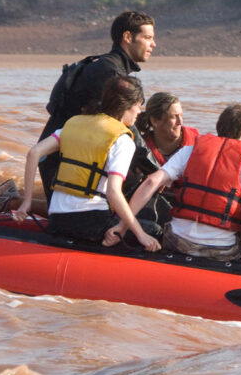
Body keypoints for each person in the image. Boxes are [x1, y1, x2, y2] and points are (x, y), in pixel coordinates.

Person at [113, 104, 241, 281]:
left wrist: (122, 227)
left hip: (176, 241)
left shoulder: (190, 151)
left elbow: (150, 182)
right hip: (221, 251)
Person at [13, 75, 161, 252]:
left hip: (57, 218)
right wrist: (140, 235)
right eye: (138, 105)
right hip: (90, 222)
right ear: (127, 106)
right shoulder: (122, 139)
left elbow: (33, 153)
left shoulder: (74, 124)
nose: (139, 112)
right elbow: (114, 192)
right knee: (154, 229)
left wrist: (27, 202)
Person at [38, 11, 156, 202]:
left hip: (72, 156)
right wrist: (157, 170)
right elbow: (126, 127)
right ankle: (13, 202)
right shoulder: (108, 72)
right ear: (127, 37)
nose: (153, 44)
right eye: (148, 38)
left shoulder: (110, 67)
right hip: (61, 161)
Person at [132, 92, 199, 223]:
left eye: (181, 116)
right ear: (155, 121)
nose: (180, 122)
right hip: (153, 209)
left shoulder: (198, 144)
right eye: (174, 117)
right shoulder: (139, 150)